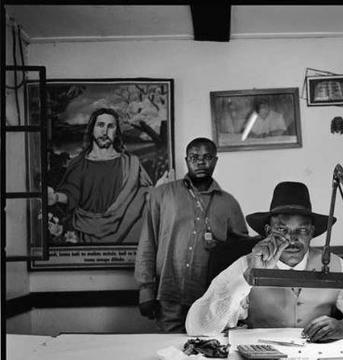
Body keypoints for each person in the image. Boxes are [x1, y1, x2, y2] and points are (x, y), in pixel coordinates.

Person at [185, 181, 343, 341]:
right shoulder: (247, 264)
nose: (292, 239)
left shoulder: (332, 264)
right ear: (267, 231)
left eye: (301, 230)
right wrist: (246, 280)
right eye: (282, 230)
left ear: (312, 232)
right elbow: (196, 326)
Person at [135, 137, 248, 333]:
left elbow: (241, 256)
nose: (201, 162)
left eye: (207, 157)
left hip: (212, 298)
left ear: (215, 161)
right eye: (194, 157)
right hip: (169, 293)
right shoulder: (161, 195)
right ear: (186, 160)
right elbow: (148, 243)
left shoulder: (229, 204)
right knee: (169, 351)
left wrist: (240, 299)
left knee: (207, 354)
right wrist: (146, 289)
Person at [47, 107, 153, 243]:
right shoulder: (79, 163)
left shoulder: (130, 163)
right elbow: (71, 192)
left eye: (111, 126)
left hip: (127, 231)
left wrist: (158, 189)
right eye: (100, 125)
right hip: (86, 233)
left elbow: (145, 195)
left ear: (116, 132)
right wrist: (55, 197)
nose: (105, 131)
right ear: (92, 130)